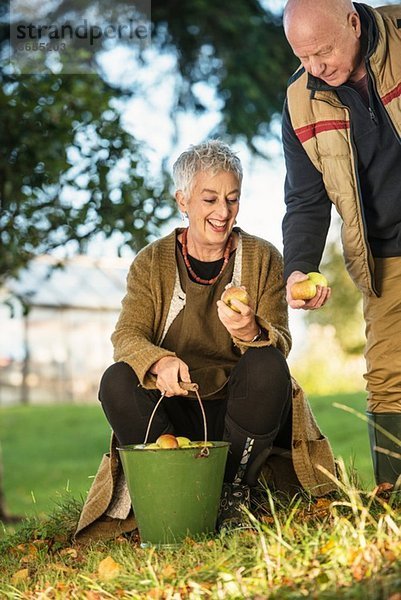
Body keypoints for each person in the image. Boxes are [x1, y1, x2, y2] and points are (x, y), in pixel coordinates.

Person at [75, 140, 335, 542]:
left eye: (232, 199)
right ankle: (167, 486)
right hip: (175, 408)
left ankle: (231, 492)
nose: (223, 211)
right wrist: (158, 362)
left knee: (268, 365)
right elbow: (126, 336)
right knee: (116, 381)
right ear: (183, 200)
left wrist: (250, 332)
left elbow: (280, 342)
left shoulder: (263, 258)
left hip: (241, 414)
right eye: (210, 198)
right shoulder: (152, 261)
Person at [281, 0, 401, 487]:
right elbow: (306, 201)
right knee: (388, 376)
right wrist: (298, 267)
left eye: (323, 51)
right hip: (384, 252)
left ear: (353, 21)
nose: (315, 67)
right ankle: (394, 501)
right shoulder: (299, 101)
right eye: (303, 56)